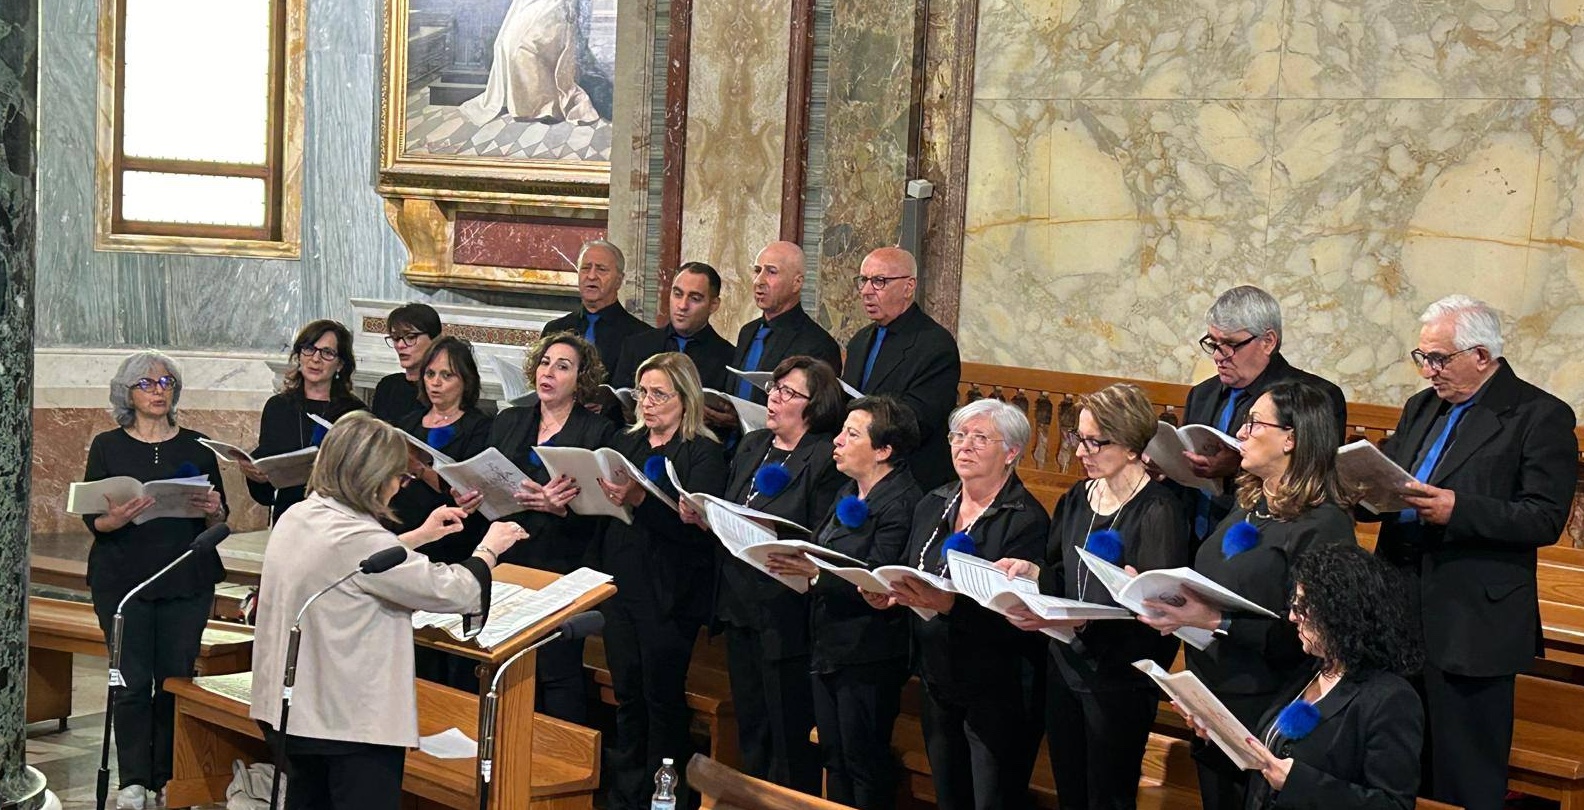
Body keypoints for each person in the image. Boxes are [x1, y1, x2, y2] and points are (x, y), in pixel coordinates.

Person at [250, 411, 528, 810]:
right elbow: (453, 590)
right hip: (346, 722)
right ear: (370, 476)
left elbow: (354, 566)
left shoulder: (300, 515)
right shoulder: (355, 537)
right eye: (399, 476)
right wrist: (490, 548)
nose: (400, 486)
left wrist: (420, 536)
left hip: (294, 712)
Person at [1366, 295, 1577, 810]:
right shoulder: (1423, 407)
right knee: (1398, 761)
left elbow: (1545, 517)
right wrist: (1362, 491)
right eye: (1422, 358)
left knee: (1464, 775)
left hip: (1471, 620)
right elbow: (1389, 476)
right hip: (1400, 605)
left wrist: (1459, 510)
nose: (1428, 371)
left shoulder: (1538, 415)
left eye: (1439, 359)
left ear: (1481, 356)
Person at [1137, 381, 1355, 810]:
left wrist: (1213, 621)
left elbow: (1316, 642)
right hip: (1211, 696)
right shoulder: (1249, 504)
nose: (1240, 432)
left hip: (1265, 705)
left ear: (1291, 438)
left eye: (1254, 423)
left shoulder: (1324, 525)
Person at [995, 383, 1192, 810]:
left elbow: (1159, 614)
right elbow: (1062, 574)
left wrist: (1091, 620)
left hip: (1119, 679)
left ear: (1129, 445)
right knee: (1070, 792)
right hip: (1065, 667)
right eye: (1077, 438)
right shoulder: (1076, 499)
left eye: (1092, 442)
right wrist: (1031, 574)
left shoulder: (1159, 511)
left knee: (1108, 797)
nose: (1080, 451)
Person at [869, 398, 1048, 810]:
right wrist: (893, 594)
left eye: (980, 438)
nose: (964, 446)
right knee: (948, 797)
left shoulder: (1024, 519)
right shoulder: (934, 503)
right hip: (938, 678)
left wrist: (948, 605)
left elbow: (1016, 616)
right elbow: (915, 570)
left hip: (997, 688)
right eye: (958, 436)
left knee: (992, 800)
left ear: (1011, 453)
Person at [83, 351, 228, 810]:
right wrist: (117, 517)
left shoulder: (198, 445)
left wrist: (216, 511)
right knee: (129, 681)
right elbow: (94, 522)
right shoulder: (107, 446)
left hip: (185, 578)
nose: (159, 389)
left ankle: (169, 775)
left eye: (166, 382)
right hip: (123, 580)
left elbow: (218, 520)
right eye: (147, 383)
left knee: (174, 681)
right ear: (127, 393)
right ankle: (132, 780)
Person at [764, 396, 923, 810]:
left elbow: (878, 574)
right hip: (829, 644)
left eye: (852, 434)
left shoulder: (903, 502)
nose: (837, 440)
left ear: (884, 450)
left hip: (868, 654)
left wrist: (814, 574)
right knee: (834, 757)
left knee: (863, 762)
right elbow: (822, 550)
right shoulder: (848, 490)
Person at [590, 352, 728, 810]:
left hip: (670, 591)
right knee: (627, 694)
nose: (647, 403)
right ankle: (626, 794)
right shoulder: (624, 444)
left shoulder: (703, 453)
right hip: (623, 585)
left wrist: (641, 501)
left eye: (658, 395)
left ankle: (665, 797)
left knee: (662, 699)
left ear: (685, 399)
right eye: (641, 393)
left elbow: (694, 534)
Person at [708, 356, 846, 793]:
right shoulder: (754, 445)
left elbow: (822, 532)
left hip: (785, 612)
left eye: (788, 392)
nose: (774, 397)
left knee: (788, 736)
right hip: (739, 604)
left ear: (814, 404)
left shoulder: (824, 458)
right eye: (774, 387)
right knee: (751, 725)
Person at [1220, 543, 1424, 810]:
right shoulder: (1310, 671)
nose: (1293, 617)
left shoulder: (1390, 698)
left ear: (1339, 613)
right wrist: (1216, 737)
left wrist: (1297, 783)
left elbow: (1392, 805)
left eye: (1303, 607)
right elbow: (1266, 765)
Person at [487, 331, 617, 722]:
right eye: (545, 363)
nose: (549, 372)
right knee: (505, 664)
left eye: (563, 366)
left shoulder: (597, 432)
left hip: (562, 560)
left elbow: (602, 509)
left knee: (556, 669)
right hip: (509, 556)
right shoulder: (510, 420)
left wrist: (560, 508)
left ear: (581, 379)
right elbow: (494, 478)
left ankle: (559, 764)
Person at [1179, 286, 1348, 542]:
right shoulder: (1202, 394)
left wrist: (1235, 466)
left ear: (1267, 342)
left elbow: (1313, 477)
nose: (1217, 356)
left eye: (1230, 345)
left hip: (1266, 541)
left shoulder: (1312, 398)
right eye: (1213, 343)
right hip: (1195, 536)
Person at [840, 247, 961, 491]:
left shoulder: (935, 345)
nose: (866, 291)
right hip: (859, 470)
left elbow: (917, 421)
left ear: (908, 287)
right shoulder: (860, 340)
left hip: (907, 478)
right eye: (863, 280)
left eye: (879, 281)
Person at [245, 320, 367, 524]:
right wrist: (255, 475)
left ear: (340, 364)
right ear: (299, 355)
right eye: (309, 349)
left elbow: (363, 478)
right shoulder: (278, 407)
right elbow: (266, 484)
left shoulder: (355, 413)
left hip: (337, 519)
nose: (315, 359)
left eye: (327, 352)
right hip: (289, 517)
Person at [391, 336, 495, 564]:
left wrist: (419, 468)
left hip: (452, 534)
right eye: (430, 374)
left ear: (466, 381)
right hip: (402, 527)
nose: (435, 383)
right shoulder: (409, 422)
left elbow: (469, 487)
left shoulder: (480, 427)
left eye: (446, 375)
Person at [726, 241, 842, 407]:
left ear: (797, 283)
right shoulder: (748, 331)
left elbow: (819, 411)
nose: (759, 280)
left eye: (771, 272)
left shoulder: (818, 344)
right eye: (757, 270)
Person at [459, 0, 602, 127]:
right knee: (505, 44)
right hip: (525, 4)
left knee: (526, 45)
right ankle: (526, 104)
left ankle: (544, 105)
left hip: (555, 6)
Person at [611, 261, 735, 391]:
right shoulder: (636, 346)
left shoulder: (729, 358)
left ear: (714, 305)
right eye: (677, 294)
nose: (682, 306)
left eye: (695, 298)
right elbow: (617, 405)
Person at [543, 240, 650, 372]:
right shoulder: (554, 330)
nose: (592, 276)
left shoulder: (642, 337)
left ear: (619, 280)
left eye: (601, 269)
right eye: (586, 268)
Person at [370, 303, 441, 422]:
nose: (400, 345)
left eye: (411, 337)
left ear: (434, 339)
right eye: (395, 338)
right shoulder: (388, 386)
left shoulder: (439, 388)